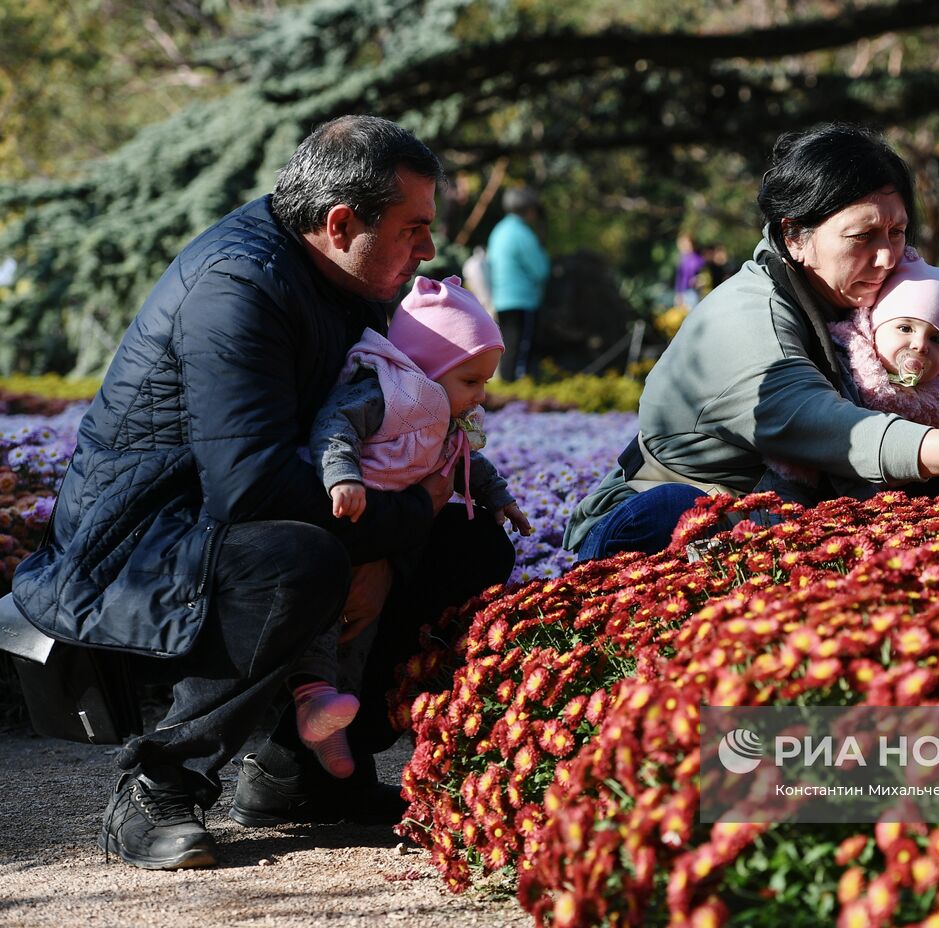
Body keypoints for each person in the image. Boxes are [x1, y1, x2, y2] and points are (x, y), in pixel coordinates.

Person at [8, 115, 517, 871]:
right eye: (414, 228)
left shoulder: (344, 278)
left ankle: (298, 772)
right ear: (342, 223)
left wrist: (397, 534)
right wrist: (389, 533)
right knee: (301, 557)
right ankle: (159, 782)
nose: (429, 251)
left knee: (470, 542)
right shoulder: (238, 286)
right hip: (137, 548)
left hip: (238, 525)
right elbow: (248, 487)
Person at [564, 124, 939, 561]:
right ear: (795, 235)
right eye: (863, 237)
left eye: (898, 232)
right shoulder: (747, 315)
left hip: (785, 525)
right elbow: (831, 428)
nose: (887, 258)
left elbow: (933, 410)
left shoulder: (872, 299)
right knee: (677, 513)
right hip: (658, 519)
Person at [295, 274, 531, 780]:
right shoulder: (385, 394)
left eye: (486, 381)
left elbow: (467, 461)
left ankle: (335, 737)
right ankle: (312, 703)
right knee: (328, 620)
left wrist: (499, 498)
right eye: (471, 381)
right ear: (426, 368)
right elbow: (333, 426)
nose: (482, 395)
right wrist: (342, 477)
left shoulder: (444, 412)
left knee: (360, 637)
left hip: (389, 538)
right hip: (346, 524)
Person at [767, 255, 939, 503]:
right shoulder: (844, 368)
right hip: (835, 501)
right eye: (905, 328)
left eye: (936, 339)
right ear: (873, 328)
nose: (920, 345)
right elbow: (832, 446)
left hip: (918, 513)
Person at [486, 186, 550, 381]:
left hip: (501, 297)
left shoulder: (499, 230)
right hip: (522, 299)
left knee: (508, 345)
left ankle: (507, 387)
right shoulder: (522, 233)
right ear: (528, 209)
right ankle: (516, 387)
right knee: (521, 347)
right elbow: (541, 269)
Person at [673, 233, 707, 309]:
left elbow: (704, 277)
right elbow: (680, 279)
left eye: (685, 244)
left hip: (693, 293)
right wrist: (678, 294)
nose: (683, 247)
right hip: (683, 294)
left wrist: (699, 280)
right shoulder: (682, 259)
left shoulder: (697, 259)